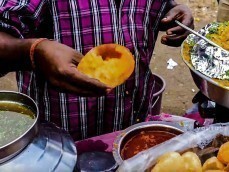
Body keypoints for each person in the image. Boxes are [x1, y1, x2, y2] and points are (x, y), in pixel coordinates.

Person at [0, 0, 194, 140]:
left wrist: (171, 10)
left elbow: (152, 8)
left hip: (132, 129)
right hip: (62, 142)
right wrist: (34, 51)